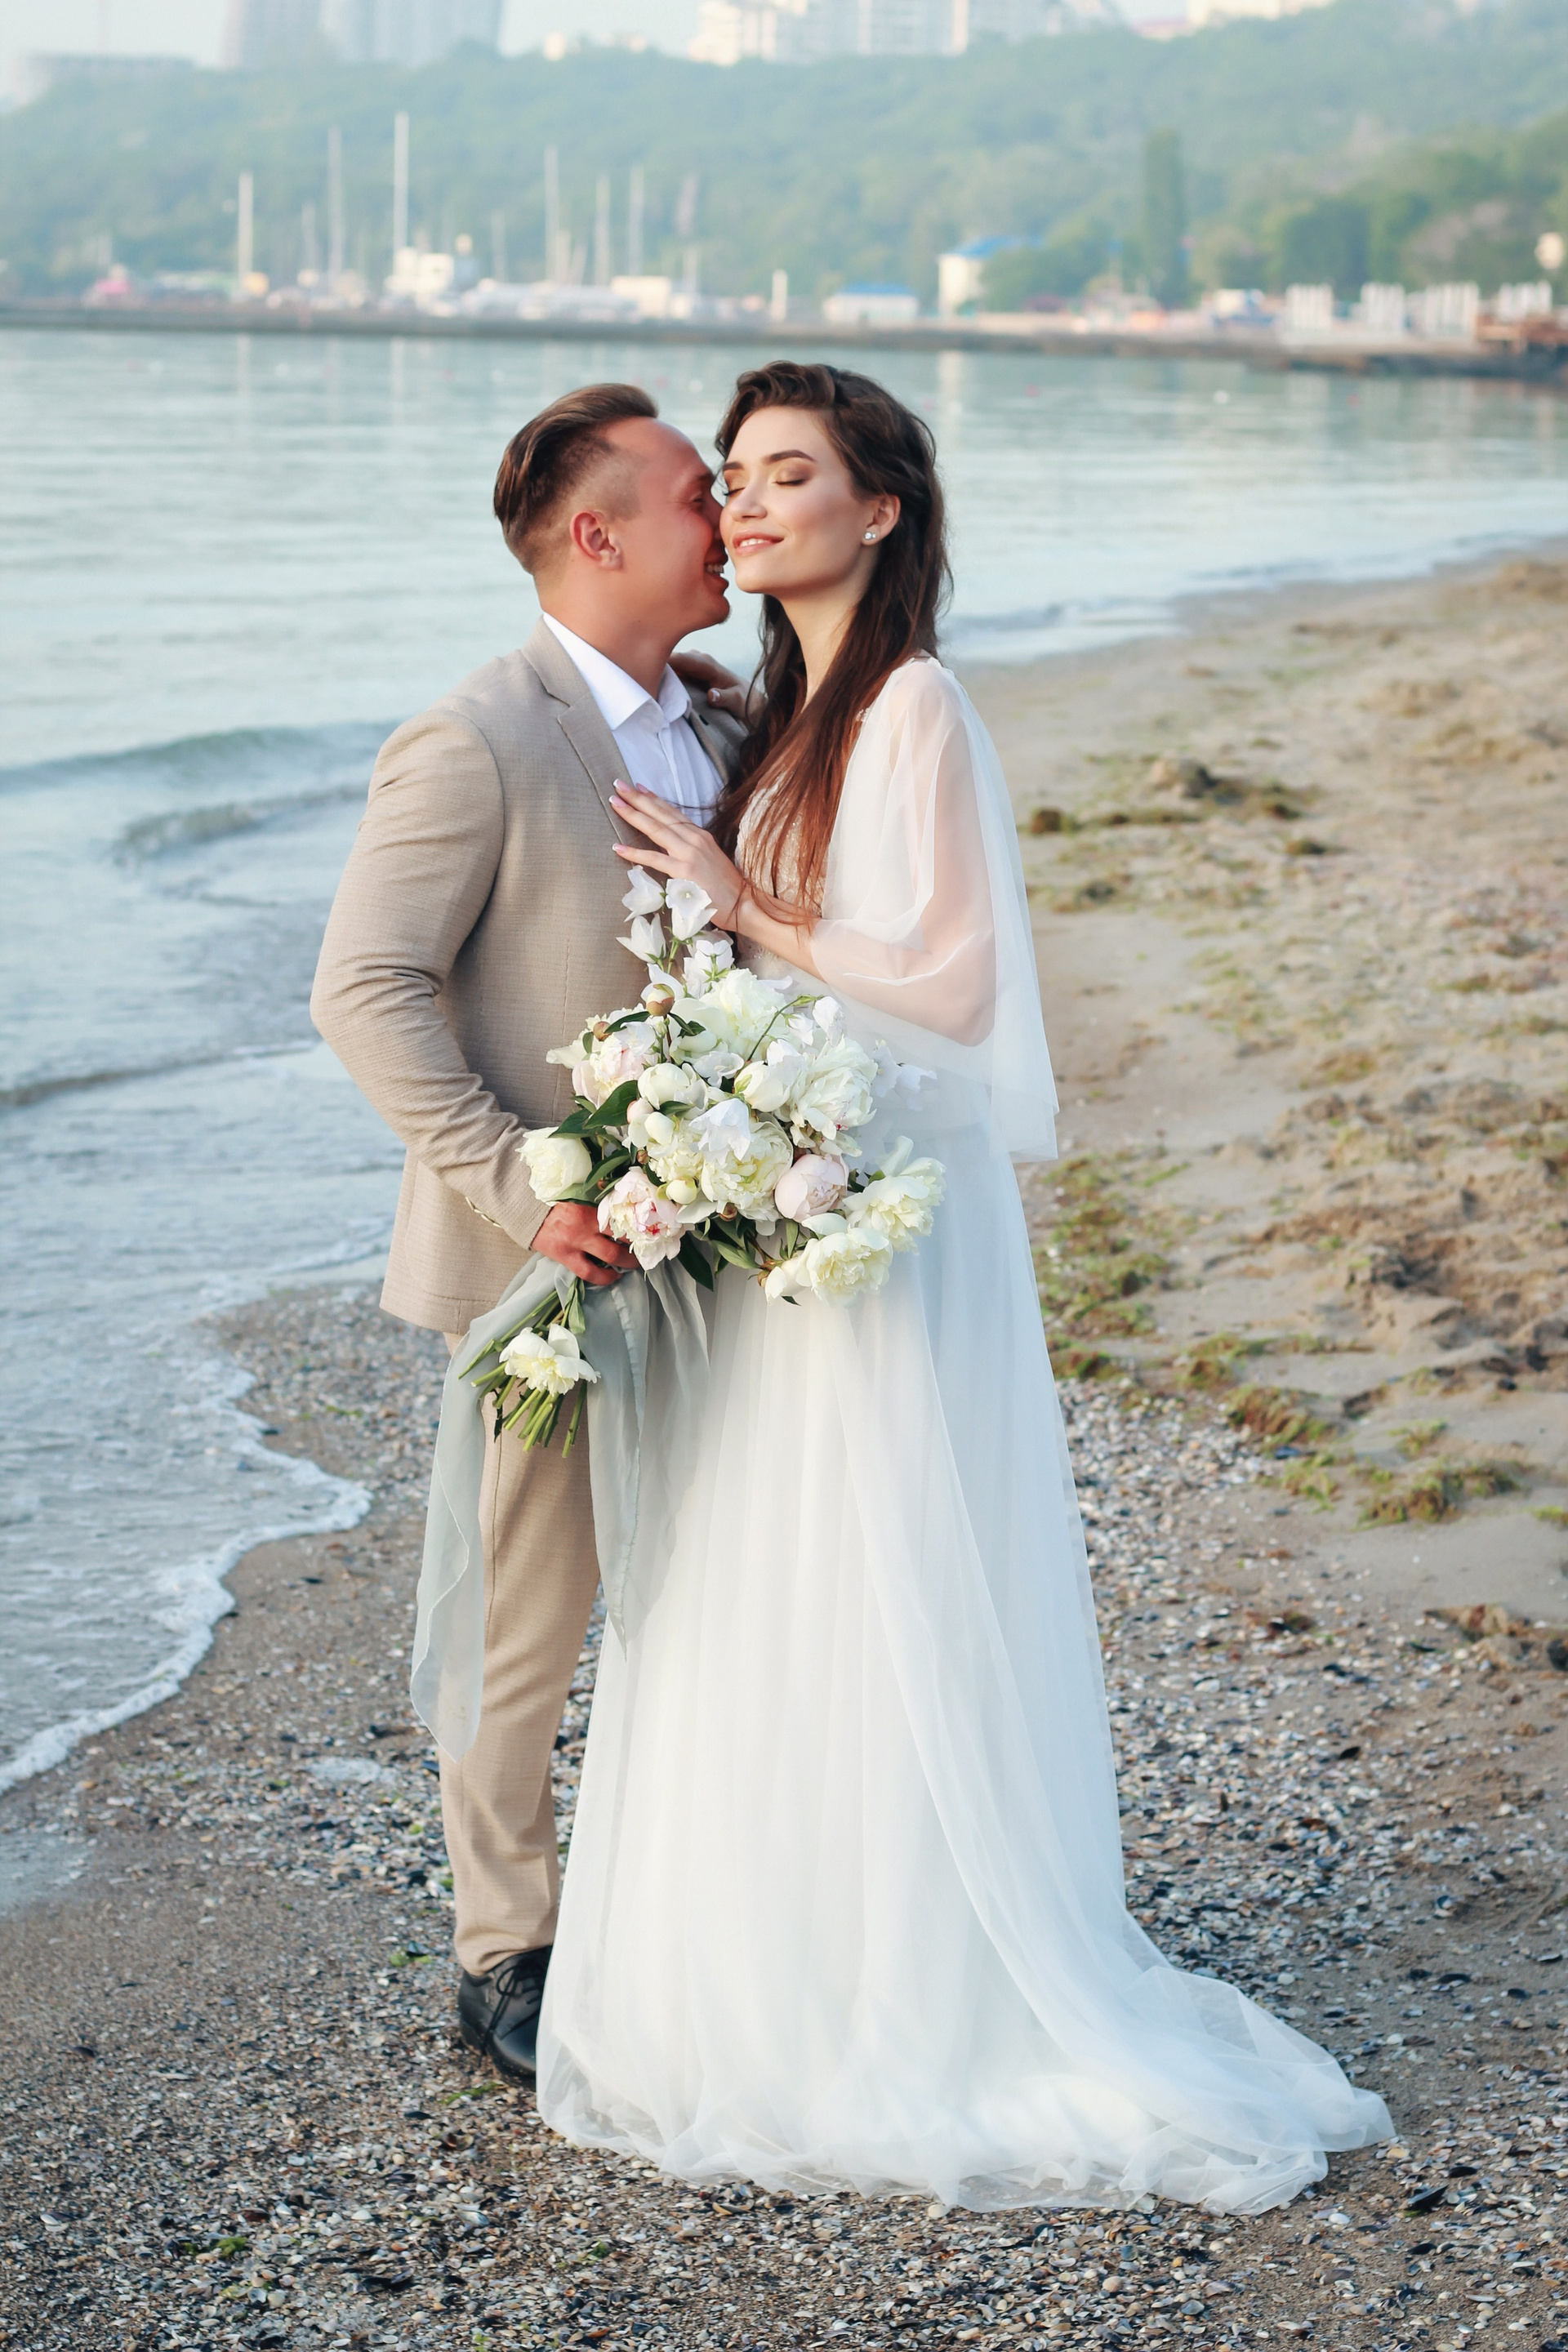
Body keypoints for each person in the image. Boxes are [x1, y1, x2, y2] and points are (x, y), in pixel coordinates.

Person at [535, 361, 1392, 2212]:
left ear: (881, 509)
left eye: (787, 475)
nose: (745, 505)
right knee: (784, 1568)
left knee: (882, 1569)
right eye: (732, 478)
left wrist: (738, 900)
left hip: (889, 1199)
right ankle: (792, 1963)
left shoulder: (912, 701)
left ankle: (923, 1981)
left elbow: (952, 984)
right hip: (807, 1189)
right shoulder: (779, 709)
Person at [310, 384, 744, 2084]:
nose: (730, 520)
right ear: (597, 532)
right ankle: (504, 1944)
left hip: (727, 1252)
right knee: (524, 1612)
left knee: (713, 1584)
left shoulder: (726, 722)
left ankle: (688, 1898)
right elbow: (364, 988)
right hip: (544, 1269)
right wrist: (519, 1185)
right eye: (701, 493)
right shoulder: (477, 736)